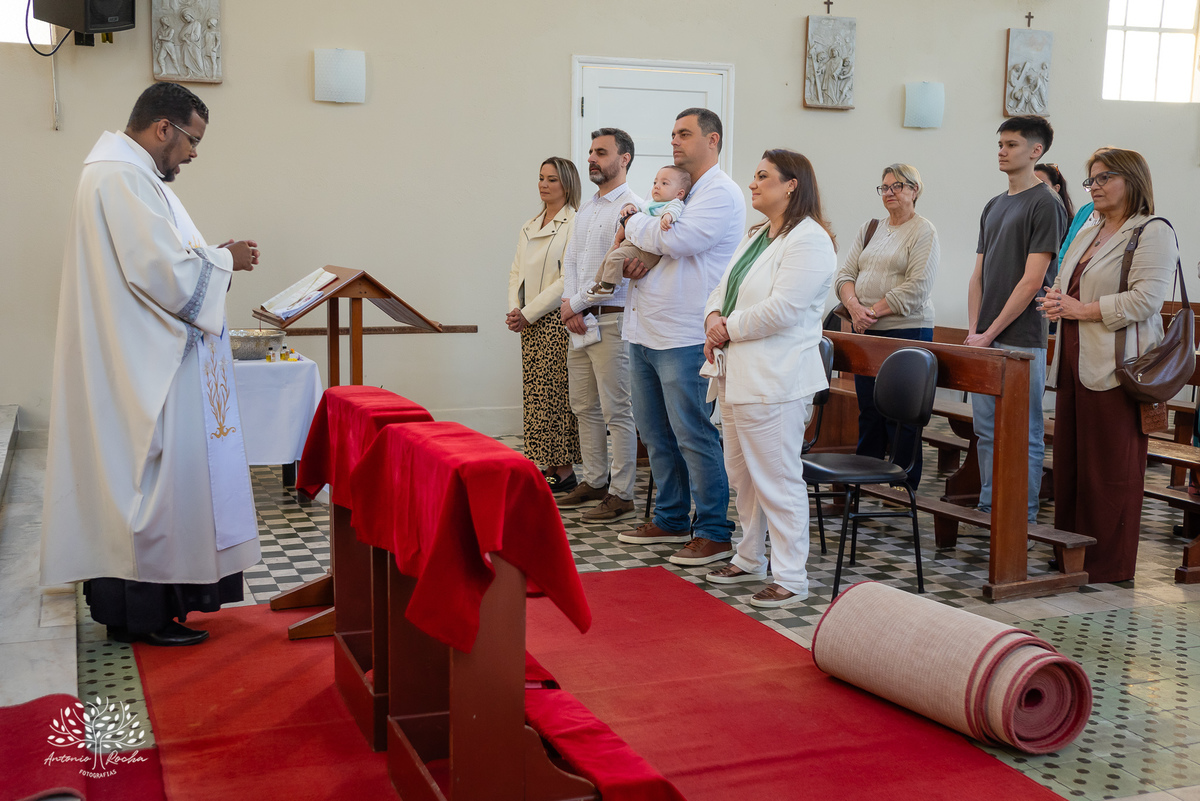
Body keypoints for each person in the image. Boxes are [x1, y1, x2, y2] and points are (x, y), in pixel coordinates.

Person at [40, 82, 262, 646]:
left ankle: (143, 610)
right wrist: (225, 260)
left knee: (139, 487)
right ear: (163, 127)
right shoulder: (121, 177)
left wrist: (210, 258)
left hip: (139, 355)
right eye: (191, 140)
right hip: (142, 367)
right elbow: (164, 273)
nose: (192, 154)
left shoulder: (127, 175)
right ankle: (144, 617)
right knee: (149, 487)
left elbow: (164, 260)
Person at [702, 150, 837, 607]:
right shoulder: (759, 234)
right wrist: (713, 317)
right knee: (742, 475)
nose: (753, 184)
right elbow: (723, 287)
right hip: (736, 373)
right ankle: (748, 556)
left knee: (777, 478)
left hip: (776, 378)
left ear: (791, 185)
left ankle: (792, 575)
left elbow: (785, 309)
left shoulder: (810, 240)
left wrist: (727, 328)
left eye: (763, 177)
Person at [1039, 148, 1177, 583]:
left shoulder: (1152, 231)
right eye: (1091, 180)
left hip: (1118, 367)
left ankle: (1107, 564)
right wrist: (1057, 303)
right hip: (1073, 360)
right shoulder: (1088, 229)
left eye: (1104, 178)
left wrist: (1080, 310)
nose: (1094, 186)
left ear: (1133, 180)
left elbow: (1146, 300)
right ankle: (1071, 554)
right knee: (1072, 467)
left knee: (1109, 472)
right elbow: (1064, 282)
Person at [616, 108, 746, 565]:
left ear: (712, 140)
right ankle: (671, 518)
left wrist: (632, 225)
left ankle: (713, 529)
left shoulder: (720, 193)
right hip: (646, 327)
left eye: (685, 134)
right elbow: (661, 239)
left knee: (693, 434)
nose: (675, 141)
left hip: (687, 331)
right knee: (654, 433)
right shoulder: (674, 190)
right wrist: (648, 233)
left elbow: (678, 241)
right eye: (672, 133)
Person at [966, 115, 1067, 524]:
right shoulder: (995, 204)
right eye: (1000, 144)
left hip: (1021, 338)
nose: (1002, 151)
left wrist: (989, 333)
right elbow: (978, 275)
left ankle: (1019, 517)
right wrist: (974, 333)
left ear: (1036, 151)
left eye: (1011, 145)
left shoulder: (1046, 203)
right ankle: (992, 509)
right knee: (986, 432)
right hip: (985, 339)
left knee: (1024, 434)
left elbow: (1031, 282)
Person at [833, 163, 939, 489]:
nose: (890, 192)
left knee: (902, 414)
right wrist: (854, 307)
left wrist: (872, 311)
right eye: (885, 187)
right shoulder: (871, 227)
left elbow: (918, 286)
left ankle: (903, 482)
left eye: (898, 186)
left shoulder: (924, 231)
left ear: (914, 190)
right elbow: (845, 275)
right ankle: (863, 480)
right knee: (869, 409)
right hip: (866, 329)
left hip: (906, 329)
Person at [556, 128, 641, 522]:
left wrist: (577, 304)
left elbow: (618, 272)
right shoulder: (587, 208)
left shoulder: (633, 208)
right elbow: (570, 262)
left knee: (616, 410)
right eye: (591, 152)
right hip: (579, 322)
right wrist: (570, 307)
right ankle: (595, 480)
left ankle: (622, 494)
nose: (592, 158)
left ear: (623, 159)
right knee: (583, 406)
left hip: (611, 320)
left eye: (601, 152)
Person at [506, 157, 582, 493]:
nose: (544, 185)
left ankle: (564, 470)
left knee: (555, 395)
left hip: (554, 319)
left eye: (552, 179)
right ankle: (547, 464)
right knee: (535, 396)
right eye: (540, 178)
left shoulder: (574, 223)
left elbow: (568, 279)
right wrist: (515, 309)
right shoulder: (529, 224)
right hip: (530, 321)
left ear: (567, 184)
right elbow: (516, 272)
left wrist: (530, 311)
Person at [586, 165, 691, 298]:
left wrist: (667, 217)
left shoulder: (673, 203)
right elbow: (637, 207)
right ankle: (601, 283)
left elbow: (674, 211)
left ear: (679, 193)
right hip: (636, 244)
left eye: (664, 183)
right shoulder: (651, 203)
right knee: (611, 251)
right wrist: (629, 207)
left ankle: (608, 287)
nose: (657, 186)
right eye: (655, 182)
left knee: (616, 257)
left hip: (648, 252)